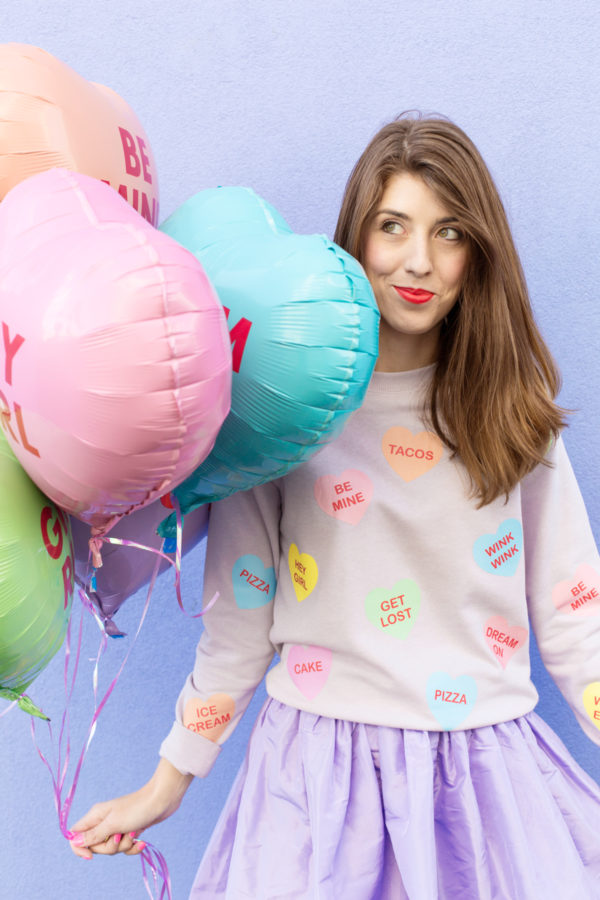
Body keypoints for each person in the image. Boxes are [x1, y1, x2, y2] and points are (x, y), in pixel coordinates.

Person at [69, 114, 600, 899]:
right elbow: (239, 622)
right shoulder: (290, 407)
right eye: (394, 227)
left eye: (449, 232)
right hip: (316, 784)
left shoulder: (509, 414)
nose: (418, 261)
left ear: (477, 254)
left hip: (478, 780)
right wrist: (168, 781)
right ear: (358, 236)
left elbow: (575, 617)